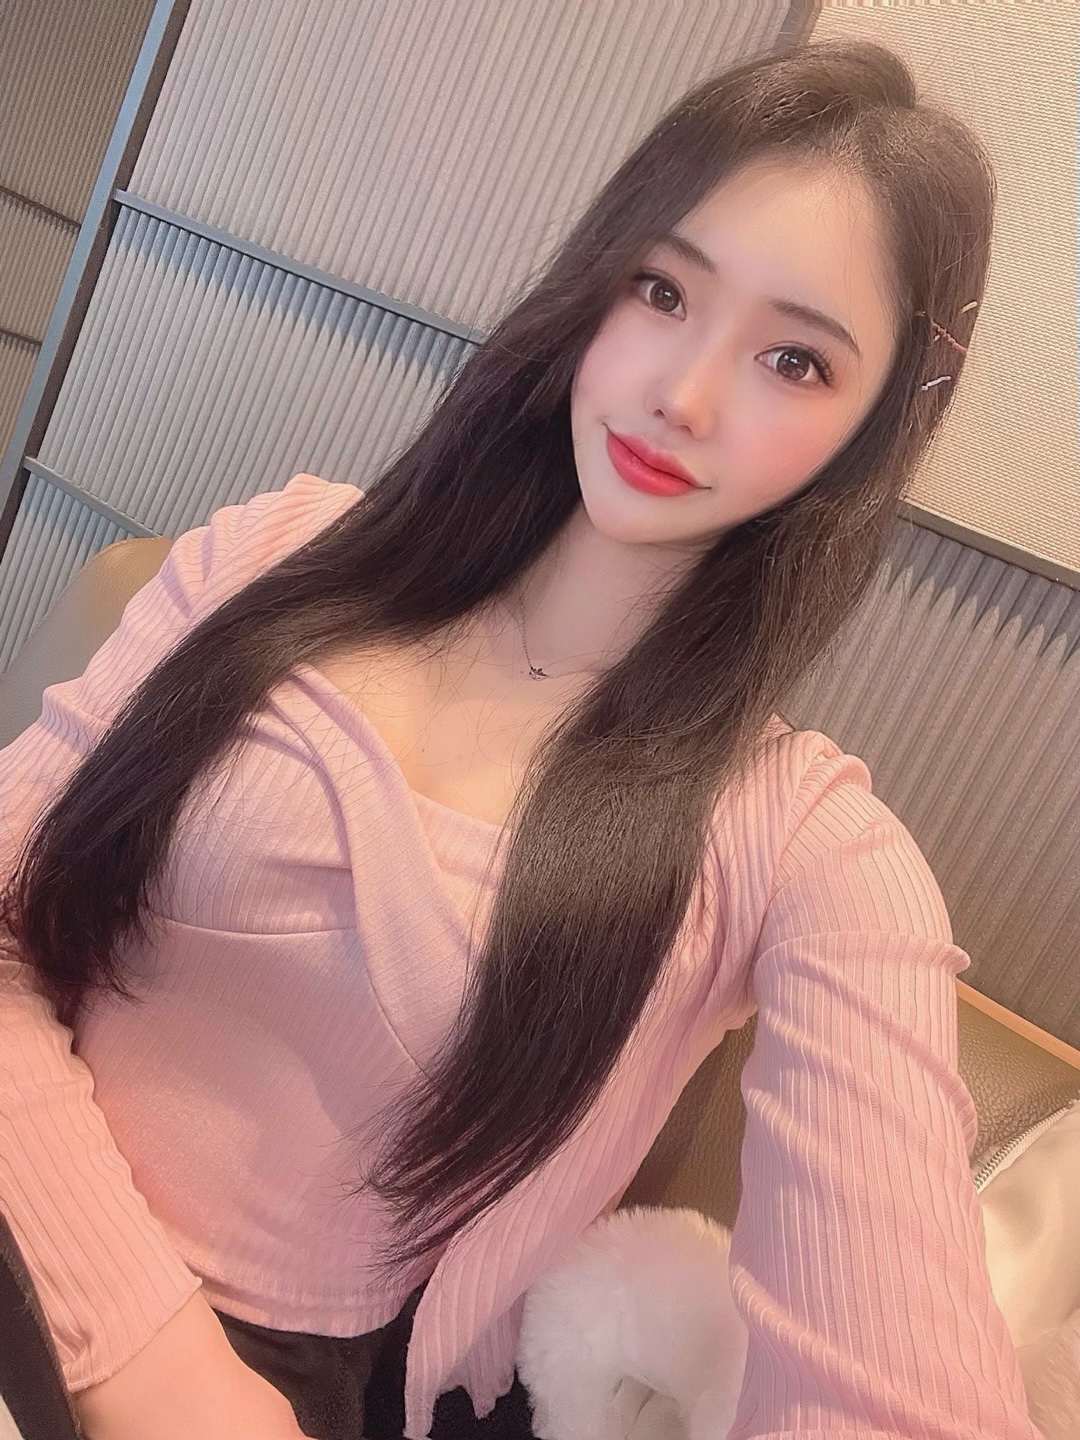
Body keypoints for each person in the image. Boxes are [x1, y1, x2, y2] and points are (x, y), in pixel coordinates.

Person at [0, 36, 1042, 1440]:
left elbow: (896, 1378)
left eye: (795, 359)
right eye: (662, 291)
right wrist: (155, 1367)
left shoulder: (801, 844)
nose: (684, 392)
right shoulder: (277, 551)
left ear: (872, 428)